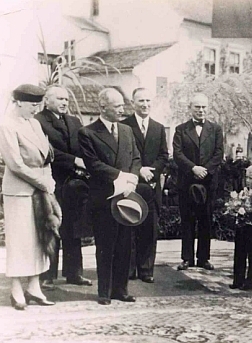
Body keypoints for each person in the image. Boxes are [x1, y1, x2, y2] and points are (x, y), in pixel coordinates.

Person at [78, 88, 145, 305]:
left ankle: (120, 289)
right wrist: (121, 176)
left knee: (125, 245)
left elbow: (136, 157)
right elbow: (93, 164)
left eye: (122, 105)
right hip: (105, 198)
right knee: (106, 246)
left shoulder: (126, 130)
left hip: (126, 195)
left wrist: (132, 178)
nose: (122, 110)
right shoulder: (87, 133)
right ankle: (104, 291)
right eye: (116, 106)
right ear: (103, 107)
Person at [0, 84, 56, 309]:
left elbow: (46, 157)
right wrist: (43, 182)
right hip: (19, 192)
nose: (35, 109)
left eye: (38, 105)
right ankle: (16, 290)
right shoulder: (5, 126)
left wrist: (49, 180)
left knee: (39, 238)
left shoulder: (35, 123)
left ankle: (34, 287)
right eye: (32, 105)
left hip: (39, 189)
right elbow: (16, 165)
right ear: (19, 102)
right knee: (20, 241)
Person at [35, 85, 92, 289]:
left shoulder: (75, 121)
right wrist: (75, 161)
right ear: (47, 100)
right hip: (52, 181)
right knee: (51, 228)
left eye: (66, 99)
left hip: (74, 184)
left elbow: (85, 147)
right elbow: (46, 151)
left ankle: (74, 273)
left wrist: (85, 163)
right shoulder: (38, 121)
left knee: (73, 228)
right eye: (59, 98)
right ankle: (47, 275)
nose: (64, 102)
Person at [121, 88, 169, 283]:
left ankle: (146, 269)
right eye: (141, 100)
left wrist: (152, 171)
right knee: (130, 225)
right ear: (133, 103)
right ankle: (129, 268)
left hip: (152, 184)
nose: (145, 104)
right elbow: (123, 154)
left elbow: (164, 156)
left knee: (150, 227)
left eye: (148, 100)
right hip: (132, 183)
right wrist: (139, 170)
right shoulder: (124, 126)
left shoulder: (158, 128)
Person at [173, 93, 224, 271]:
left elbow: (219, 153)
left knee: (206, 219)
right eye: (197, 107)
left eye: (203, 107)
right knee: (187, 219)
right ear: (190, 108)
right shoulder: (181, 129)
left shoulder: (216, 129)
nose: (201, 110)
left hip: (208, 182)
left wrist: (206, 170)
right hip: (187, 181)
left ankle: (204, 258)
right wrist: (193, 168)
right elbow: (177, 154)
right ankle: (187, 258)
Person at [230, 164, 252, 291]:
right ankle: (237, 279)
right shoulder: (243, 192)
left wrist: (249, 211)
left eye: (251, 178)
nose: (248, 181)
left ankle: (250, 280)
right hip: (241, 226)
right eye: (247, 178)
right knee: (239, 253)